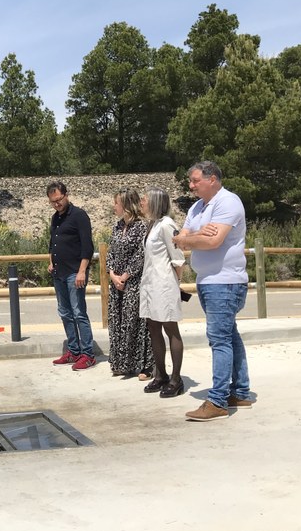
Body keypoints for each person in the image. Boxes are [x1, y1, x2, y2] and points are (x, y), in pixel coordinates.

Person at [174, 161, 252, 421]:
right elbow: (180, 238)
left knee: (219, 338)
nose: (191, 185)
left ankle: (218, 400)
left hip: (225, 280)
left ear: (213, 179)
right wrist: (195, 234)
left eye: (195, 180)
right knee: (229, 334)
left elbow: (213, 241)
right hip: (209, 280)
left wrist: (190, 237)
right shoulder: (197, 207)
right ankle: (239, 391)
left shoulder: (228, 202)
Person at [139, 187, 186, 398]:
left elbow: (177, 257)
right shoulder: (153, 224)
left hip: (164, 285)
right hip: (150, 284)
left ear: (156, 202)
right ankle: (161, 375)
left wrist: (176, 283)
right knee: (154, 328)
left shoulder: (167, 225)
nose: (142, 202)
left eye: (145, 199)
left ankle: (176, 379)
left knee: (170, 329)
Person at [47, 181, 96, 371]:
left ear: (66, 195)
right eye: (53, 202)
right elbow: (53, 244)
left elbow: (87, 246)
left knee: (78, 313)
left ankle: (88, 354)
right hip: (59, 272)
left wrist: (82, 270)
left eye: (59, 200)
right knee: (65, 313)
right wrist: (51, 262)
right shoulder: (55, 218)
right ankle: (74, 350)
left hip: (75, 272)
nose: (57, 204)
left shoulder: (79, 216)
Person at [106, 188, 153, 379]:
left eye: (116, 203)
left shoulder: (142, 227)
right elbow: (110, 251)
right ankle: (121, 363)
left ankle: (145, 366)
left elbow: (141, 255)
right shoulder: (117, 226)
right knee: (117, 322)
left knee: (136, 323)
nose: (113, 206)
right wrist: (112, 274)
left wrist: (125, 276)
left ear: (126, 205)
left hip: (134, 283)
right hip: (116, 283)